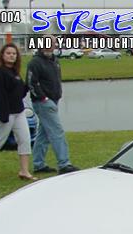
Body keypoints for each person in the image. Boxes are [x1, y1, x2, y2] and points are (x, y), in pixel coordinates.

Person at [0, 43, 36, 182]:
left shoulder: (15, 73)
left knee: (25, 139)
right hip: (4, 113)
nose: (11, 56)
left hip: (19, 111)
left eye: (14, 54)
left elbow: (19, 93)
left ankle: (24, 171)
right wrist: (3, 114)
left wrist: (27, 86)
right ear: (2, 55)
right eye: (8, 53)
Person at [26, 35, 79, 175]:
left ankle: (38, 164)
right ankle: (64, 163)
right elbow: (31, 83)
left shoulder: (55, 60)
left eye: (54, 43)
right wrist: (43, 98)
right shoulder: (35, 62)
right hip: (43, 102)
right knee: (57, 131)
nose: (52, 45)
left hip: (54, 100)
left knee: (43, 134)